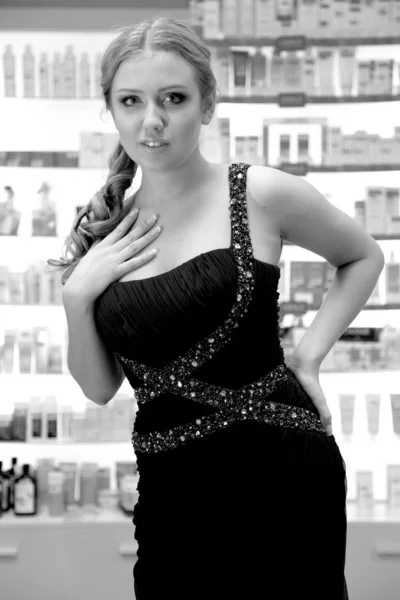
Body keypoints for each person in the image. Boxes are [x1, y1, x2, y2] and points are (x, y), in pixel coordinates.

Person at [48, 16, 385, 600]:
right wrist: (77, 297)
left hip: (283, 465)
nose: (152, 121)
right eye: (131, 101)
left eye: (173, 99)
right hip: (172, 487)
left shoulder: (258, 193)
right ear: (111, 109)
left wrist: (307, 357)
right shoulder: (105, 228)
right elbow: (99, 389)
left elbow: (363, 256)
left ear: (206, 106)